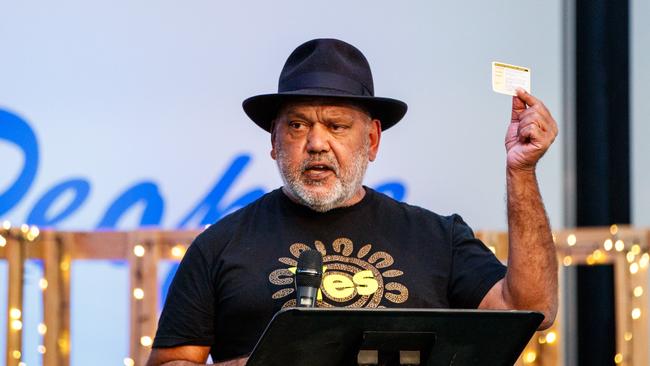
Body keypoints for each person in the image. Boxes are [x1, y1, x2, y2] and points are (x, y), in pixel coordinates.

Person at [146, 38, 558, 366]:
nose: (316, 143)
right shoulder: (219, 245)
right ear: (273, 141)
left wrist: (521, 172)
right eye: (297, 125)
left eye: (336, 125)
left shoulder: (439, 237)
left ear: (372, 140)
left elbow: (532, 310)